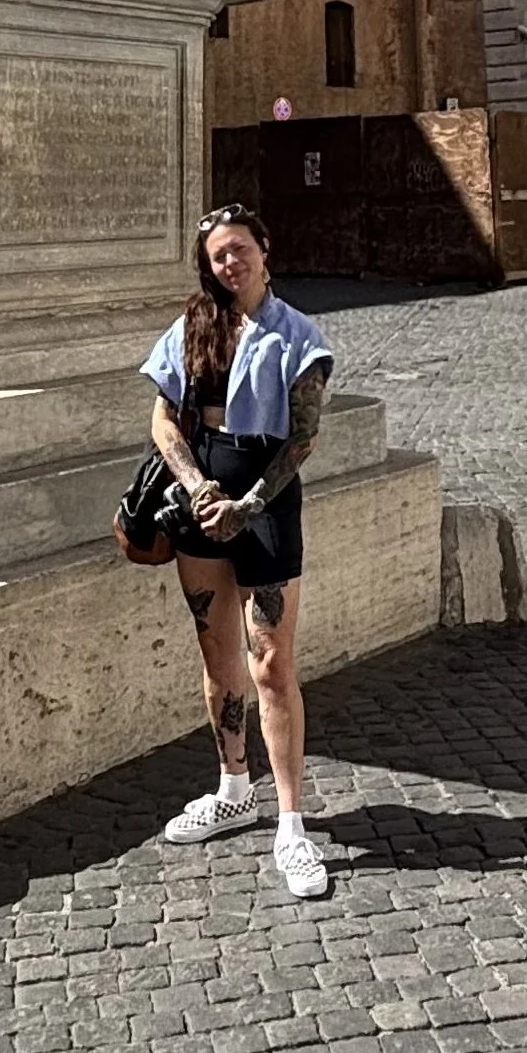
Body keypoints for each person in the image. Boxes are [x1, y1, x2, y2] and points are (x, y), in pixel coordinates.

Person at [141, 201, 334, 897]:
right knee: (215, 653)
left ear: (263, 247)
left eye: (239, 249)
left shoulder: (296, 335)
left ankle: (290, 821)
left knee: (272, 663)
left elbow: (302, 437)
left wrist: (247, 503)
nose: (230, 263)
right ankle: (231, 786)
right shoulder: (194, 326)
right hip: (200, 496)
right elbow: (163, 415)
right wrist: (195, 485)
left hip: (264, 500)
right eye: (218, 255)